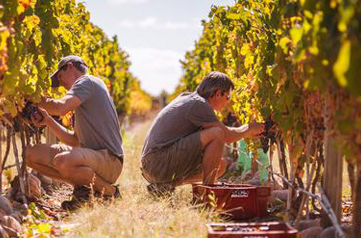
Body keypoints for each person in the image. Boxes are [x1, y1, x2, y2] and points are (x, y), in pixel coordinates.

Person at [140, 71, 264, 195]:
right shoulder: (199, 104)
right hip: (157, 163)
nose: (228, 102)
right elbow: (226, 135)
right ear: (217, 94)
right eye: (227, 97)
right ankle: (209, 192)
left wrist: (244, 132)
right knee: (217, 134)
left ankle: (164, 186)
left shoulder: (189, 98)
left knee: (219, 165)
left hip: (152, 165)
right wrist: (248, 128)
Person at [25, 55, 124, 210]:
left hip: (109, 160)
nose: (62, 85)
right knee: (30, 154)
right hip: (92, 157)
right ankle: (85, 189)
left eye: (60, 77)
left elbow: (60, 107)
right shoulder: (84, 99)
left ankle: (110, 192)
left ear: (70, 66)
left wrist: (31, 97)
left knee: (63, 161)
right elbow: (74, 140)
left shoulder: (87, 81)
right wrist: (48, 121)